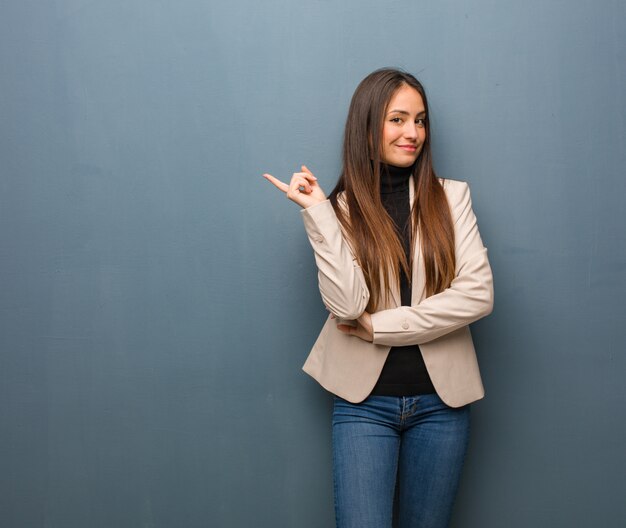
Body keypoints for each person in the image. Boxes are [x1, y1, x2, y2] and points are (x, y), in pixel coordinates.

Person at [263, 67, 494, 528]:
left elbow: (477, 295)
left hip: (442, 407)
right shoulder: (342, 211)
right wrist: (319, 216)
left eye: (421, 120)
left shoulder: (452, 198)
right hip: (363, 406)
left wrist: (380, 327)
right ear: (368, 125)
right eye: (398, 119)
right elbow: (347, 307)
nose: (414, 133)